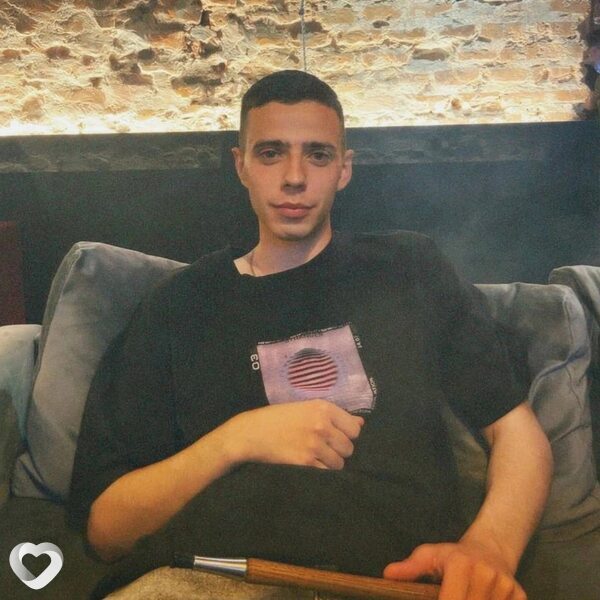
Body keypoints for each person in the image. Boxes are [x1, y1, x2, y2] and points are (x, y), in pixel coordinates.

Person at [68, 70, 552, 600]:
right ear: (241, 165)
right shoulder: (178, 305)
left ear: (344, 169)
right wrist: (237, 441)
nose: (294, 177)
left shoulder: (409, 267)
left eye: (318, 155)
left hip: (396, 582)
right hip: (209, 577)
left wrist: (490, 549)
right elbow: (106, 531)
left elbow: (515, 431)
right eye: (271, 153)